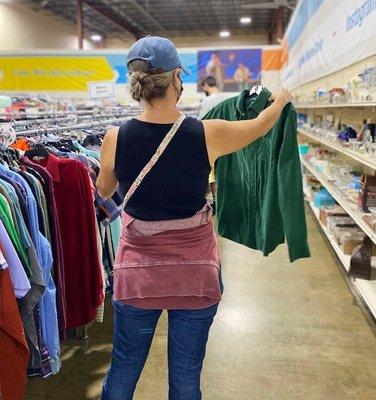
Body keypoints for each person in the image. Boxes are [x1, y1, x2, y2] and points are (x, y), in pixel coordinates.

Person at [97, 35, 291, 400]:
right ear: (175, 81)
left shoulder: (114, 137)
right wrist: (280, 99)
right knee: (186, 379)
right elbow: (262, 125)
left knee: (123, 371)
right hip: (196, 274)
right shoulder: (207, 133)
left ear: (136, 83)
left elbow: (105, 191)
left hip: (137, 277)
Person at [199, 76, 231, 211]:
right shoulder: (227, 99)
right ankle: (227, 200)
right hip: (228, 140)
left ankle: (217, 203)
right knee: (226, 171)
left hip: (212, 141)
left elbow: (202, 121)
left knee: (212, 173)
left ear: (206, 85)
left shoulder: (207, 100)